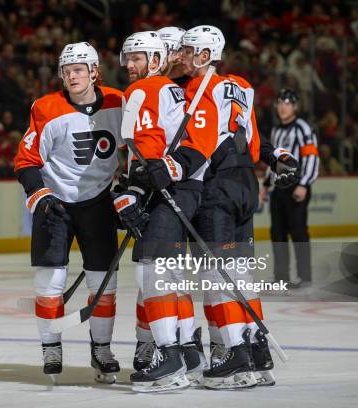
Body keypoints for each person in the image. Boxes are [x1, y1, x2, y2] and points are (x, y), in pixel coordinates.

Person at [179, 26, 299, 389]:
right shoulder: (242, 85)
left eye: (188, 51)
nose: (181, 56)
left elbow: (197, 145)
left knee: (217, 274)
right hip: (245, 180)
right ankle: (256, 348)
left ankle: (236, 355)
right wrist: (275, 156)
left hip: (216, 185)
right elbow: (252, 139)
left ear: (205, 55)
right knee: (240, 272)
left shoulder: (194, 88)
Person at [13, 42, 123, 385]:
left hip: (99, 202)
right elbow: (25, 160)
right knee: (50, 282)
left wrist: (130, 189)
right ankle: (51, 346)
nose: (72, 75)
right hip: (55, 203)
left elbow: (137, 149)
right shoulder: (47, 108)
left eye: (79, 69)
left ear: (94, 72)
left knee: (104, 283)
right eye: (66, 70)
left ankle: (101, 348)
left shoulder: (120, 102)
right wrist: (40, 193)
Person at [115, 31, 215, 392]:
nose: (129, 65)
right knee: (168, 273)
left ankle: (170, 357)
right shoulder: (175, 90)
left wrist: (132, 190)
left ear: (156, 61)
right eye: (127, 58)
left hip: (170, 188)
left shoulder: (144, 90)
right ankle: (187, 353)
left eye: (137, 58)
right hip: (184, 186)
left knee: (151, 271)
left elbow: (146, 150)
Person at [260, 88, 318, 288]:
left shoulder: (302, 128)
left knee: (298, 232)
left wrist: (304, 184)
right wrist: (266, 185)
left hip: (296, 187)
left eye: (287, 103)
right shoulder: (277, 130)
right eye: (280, 103)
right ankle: (281, 276)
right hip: (279, 189)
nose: (283, 107)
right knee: (277, 233)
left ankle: (305, 277)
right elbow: (274, 160)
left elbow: (311, 157)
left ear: (295, 106)